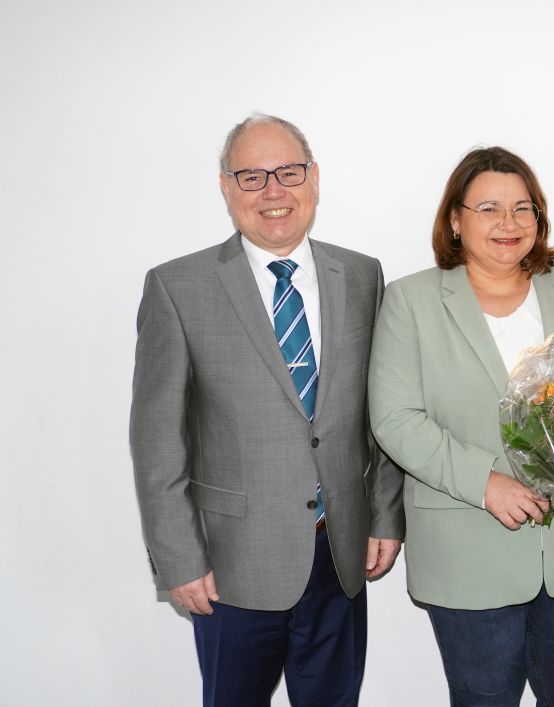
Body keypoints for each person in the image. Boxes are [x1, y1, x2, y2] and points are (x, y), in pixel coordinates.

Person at [129, 113, 405, 707]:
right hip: (231, 568)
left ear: (315, 179)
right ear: (226, 187)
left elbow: (381, 411)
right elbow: (156, 439)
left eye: (289, 171)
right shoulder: (178, 287)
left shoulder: (361, 276)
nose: (274, 191)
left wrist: (385, 514)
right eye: (252, 176)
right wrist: (178, 558)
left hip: (340, 555)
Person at [369, 146, 554, 707]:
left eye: (522, 208)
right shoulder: (411, 300)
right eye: (488, 208)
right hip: (467, 555)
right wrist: (485, 482)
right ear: (456, 219)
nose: (508, 224)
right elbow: (395, 419)